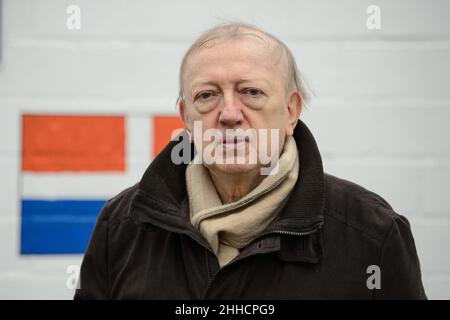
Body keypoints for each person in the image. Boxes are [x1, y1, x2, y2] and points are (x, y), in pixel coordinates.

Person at [74, 23, 426, 299]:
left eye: (251, 92)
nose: (228, 114)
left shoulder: (371, 233)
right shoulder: (122, 226)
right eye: (207, 95)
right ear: (186, 117)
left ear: (291, 111)